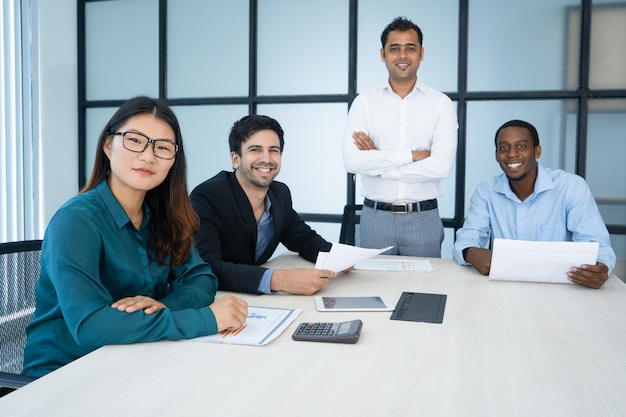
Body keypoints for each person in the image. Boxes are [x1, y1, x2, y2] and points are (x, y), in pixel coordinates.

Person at [22, 96, 248, 378]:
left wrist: (165, 306)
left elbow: (201, 278)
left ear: (173, 161)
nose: (148, 156)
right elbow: (90, 324)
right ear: (108, 145)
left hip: (135, 359)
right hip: (64, 373)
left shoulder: (164, 216)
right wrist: (204, 319)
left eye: (163, 147)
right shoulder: (76, 221)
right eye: (134, 140)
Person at [343, 16, 458, 258]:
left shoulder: (441, 104)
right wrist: (412, 156)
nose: (403, 55)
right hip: (376, 218)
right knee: (372, 292)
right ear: (382, 54)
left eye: (410, 48)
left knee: (424, 293)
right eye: (394, 48)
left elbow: (441, 167)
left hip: (423, 218)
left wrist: (378, 163)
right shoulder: (364, 102)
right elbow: (353, 162)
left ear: (421, 53)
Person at [453, 119, 616, 289]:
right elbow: (469, 235)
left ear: (537, 151)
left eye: (521, 146)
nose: (511, 154)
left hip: (561, 291)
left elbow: (596, 244)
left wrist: (600, 267)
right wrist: (471, 253)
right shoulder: (486, 190)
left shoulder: (571, 187)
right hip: (503, 290)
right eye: (503, 148)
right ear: (496, 155)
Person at [190, 115, 336, 295]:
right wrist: (279, 280)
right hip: (215, 298)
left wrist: (337, 259)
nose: (266, 159)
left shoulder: (280, 193)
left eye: (273, 150)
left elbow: (304, 240)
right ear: (235, 159)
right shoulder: (208, 196)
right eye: (255, 150)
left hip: (254, 299)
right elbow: (207, 267)